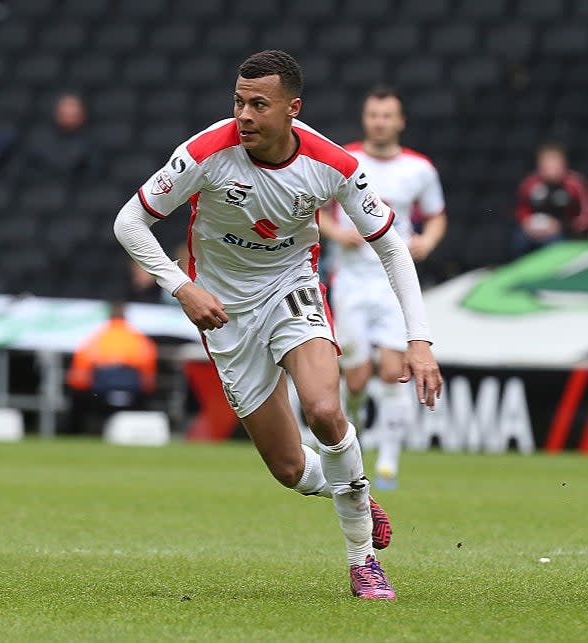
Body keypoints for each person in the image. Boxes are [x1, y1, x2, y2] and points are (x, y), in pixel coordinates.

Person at [113, 50, 442, 600]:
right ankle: (352, 486)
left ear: (293, 109)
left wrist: (420, 340)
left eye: (258, 105)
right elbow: (130, 221)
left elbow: (390, 244)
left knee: (324, 407)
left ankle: (362, 560)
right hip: (224, 312)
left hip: (291, 289)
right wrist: (183, 287)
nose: (243, 115)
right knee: (289, 468)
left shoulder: (332, 164)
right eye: (238, 102)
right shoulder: (205, 152)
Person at [318, 86, 447, 491]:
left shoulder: (419, 169)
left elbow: (437, 216)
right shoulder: (344, 160)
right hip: (352, 280)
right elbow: (316, 209)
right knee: (354, 379)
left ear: (400, 121)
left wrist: (427, 241)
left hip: (393, 279)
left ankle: (389, 460)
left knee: (394, 371)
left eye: (387, 116)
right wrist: (338, 233)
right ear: (365, 119)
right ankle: (353, 434)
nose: (380, 122)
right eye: (374, 115)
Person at [64, 301, 157, 434]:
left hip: (99, 394)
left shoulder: (96, 338)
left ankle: (76, 433)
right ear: (126, 316)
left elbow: (79, 376)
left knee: (77, 401)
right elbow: (148, 379)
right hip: (132, 394)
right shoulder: (139, 339)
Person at [512, 143, 588, 257]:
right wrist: (527, 224)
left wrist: (561, 226)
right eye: (546, 164)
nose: (551, 168)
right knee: (519, 240)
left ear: (563, 164)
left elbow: (584, 216)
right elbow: (521, 210)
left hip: (566, 232)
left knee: (556, 244)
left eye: (555, 163)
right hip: (535, 231)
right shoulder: (530, 183)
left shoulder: (575, 184)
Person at [24, 93, 100, 180]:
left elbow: (94, 172)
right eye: (65, 114)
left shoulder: (92, 140)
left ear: (83, 115)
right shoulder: (40, 140)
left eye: (73, 115)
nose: (69, 119)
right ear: (56, 114)